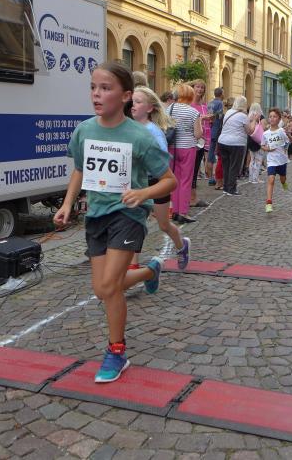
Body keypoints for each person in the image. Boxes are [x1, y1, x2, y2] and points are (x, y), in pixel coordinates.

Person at [53, 62, 176, 383]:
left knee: (109, 286)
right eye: (93, 87)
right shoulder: (84, 130)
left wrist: (142, 193)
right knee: (102, 289)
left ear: (125, 96)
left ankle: (117, 351)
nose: (96, 94)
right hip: (96, 216)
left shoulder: (140, 136)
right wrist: (67, 204)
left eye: (105, 88)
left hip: (128, 215)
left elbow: (169, 180)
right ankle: (150, 271)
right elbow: (79, 169)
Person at [129, 86, 191, 270]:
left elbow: (162, 163)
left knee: (164, 224)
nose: (133, 105)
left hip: (156, 182)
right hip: (136, 182)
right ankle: (133, 266)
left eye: (138, 102)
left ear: (150, 108)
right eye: (132, 101)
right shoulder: (126, 127)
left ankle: (182, 245)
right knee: (135, 223)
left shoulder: (154, 132)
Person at [168, 84, 202, 224]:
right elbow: (198, 134)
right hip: (187, 147)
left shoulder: (169, 109)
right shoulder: (193, 112)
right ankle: (183, 212)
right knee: (186, 180)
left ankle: (175, 211)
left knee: (175, 179)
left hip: (172, 147)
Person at [218, 96, 257, 195]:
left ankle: (226, 188)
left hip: (223, 142)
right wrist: (253, 120)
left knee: (226, 166)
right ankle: (232, 189)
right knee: (234, 166)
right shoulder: (243, 116)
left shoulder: (228, 112)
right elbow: (250, 131)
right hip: (236, 143)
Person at [261, 108, 291, 213]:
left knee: (282, 179)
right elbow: (262, 145)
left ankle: (284, 183)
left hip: (282, 160)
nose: (272, 118)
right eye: (270, 116)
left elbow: (289, 142)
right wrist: (268, 149)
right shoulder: (265, 133)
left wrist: (288, 138)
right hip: (271, 160)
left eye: (274, 116)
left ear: (279, 119)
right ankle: (269, 203)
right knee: (271, 179)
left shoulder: (281, 131)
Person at [189, 79, 212, 208]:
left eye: (202, 87)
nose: (199, 89)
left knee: (196, 169)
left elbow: (207, 126)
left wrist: (210, 119)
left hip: (202, 142)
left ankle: (193, 196)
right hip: (191, 141)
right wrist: (202, 118)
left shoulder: (204, 106)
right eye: (197, 87)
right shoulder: (188, 105)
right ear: (192, 88)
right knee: (190, 170)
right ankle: (191, 197)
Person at [207, 87, 225, 187]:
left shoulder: (210, 103)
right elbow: (220, 117)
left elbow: (208, 115)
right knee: (219, 155)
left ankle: (210, 178)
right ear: (221, 94)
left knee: (210, 155)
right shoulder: (220, 103)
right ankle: (217, 177)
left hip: (210, 129)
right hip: (218, 131)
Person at [247, 103, 267, 184]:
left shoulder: (249, 117)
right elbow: (263, 128)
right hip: (258, 141)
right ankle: (255, 178)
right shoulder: (260, 117)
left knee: (252, 160)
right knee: (258, 160)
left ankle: (250, 178)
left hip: (251, 139)